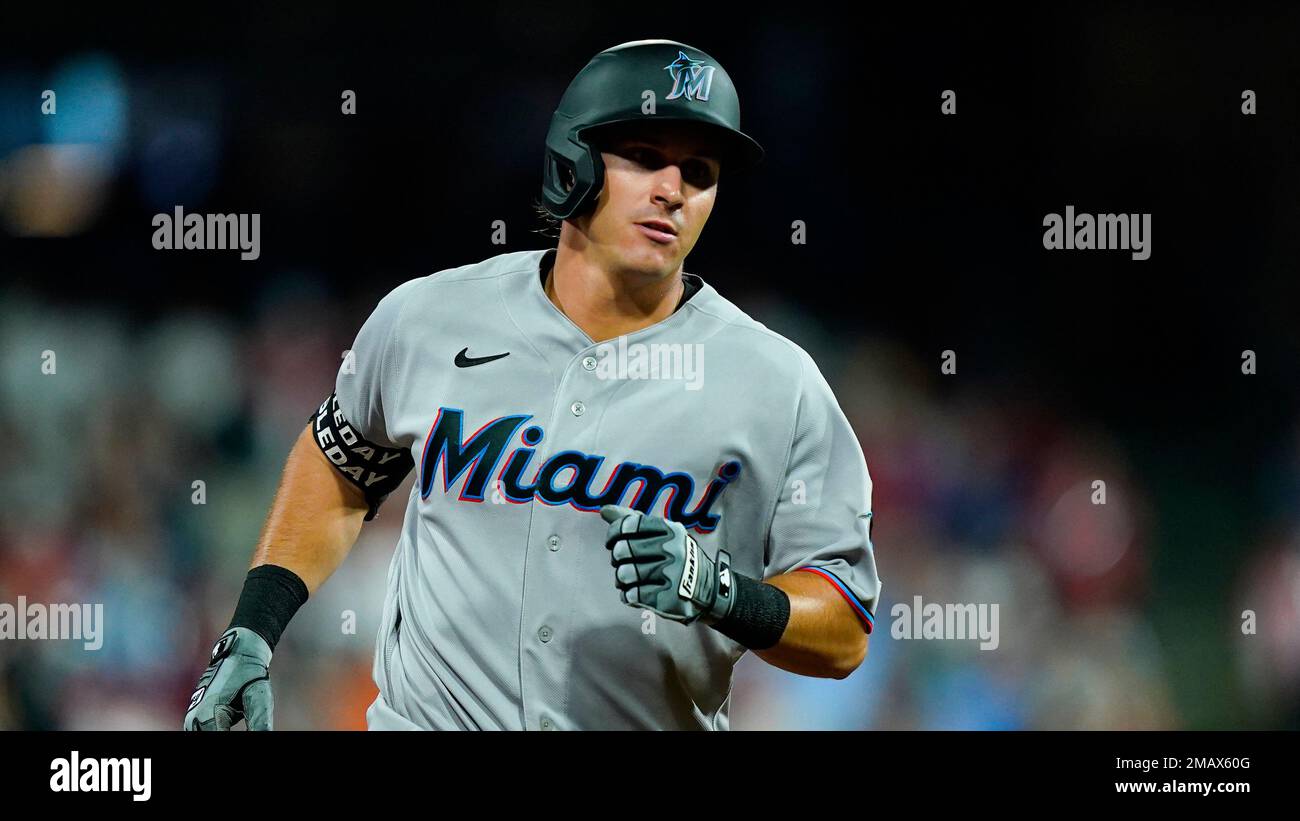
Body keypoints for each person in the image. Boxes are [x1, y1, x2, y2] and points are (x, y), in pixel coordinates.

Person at [183, 39, 880, 731]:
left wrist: (725, 593)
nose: (673, 189)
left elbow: (845, 625)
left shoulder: (774, 380)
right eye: (643, 158)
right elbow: (340, 460)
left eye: (697, 172)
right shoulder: (429, 318)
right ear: (571, 163)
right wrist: (254, 626)